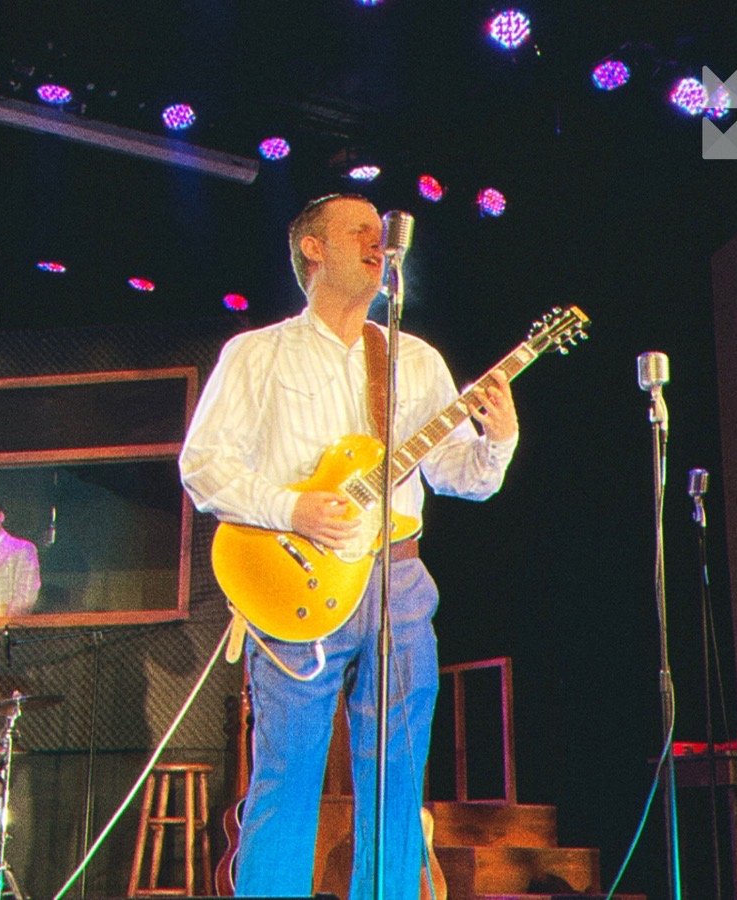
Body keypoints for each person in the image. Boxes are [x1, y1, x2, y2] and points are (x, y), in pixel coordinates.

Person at [179, 193, 518, 898]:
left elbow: (460, 477)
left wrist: (500, 438)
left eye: (381, 232)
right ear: (313, 248)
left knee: (397, 775)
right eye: (358, 229)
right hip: (295, 582)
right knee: (288, 774)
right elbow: (204, 465)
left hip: (398, 579)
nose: (377, 239)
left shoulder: (413, 357)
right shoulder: (257, 353)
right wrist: (292, 507)